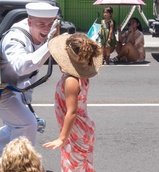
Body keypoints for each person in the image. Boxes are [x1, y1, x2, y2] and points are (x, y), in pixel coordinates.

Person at [0, 2, 59, 169]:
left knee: (21, 124)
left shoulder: (41, 33)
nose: (46, 29)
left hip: (13, 85)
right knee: (27, 123)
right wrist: (49, 44)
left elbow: (31, 72)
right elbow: (22, 66)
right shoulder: (15, 38)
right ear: (29, 21)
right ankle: (22, 167)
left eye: (50, 23)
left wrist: (26, 97)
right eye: (41, 24)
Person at [43, 33, 103, 171]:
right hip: (81, 130)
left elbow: (72, 112)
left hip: (76, 133)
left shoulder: (71, 81)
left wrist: (62, 138)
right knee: (83, 167)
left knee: (73, 168)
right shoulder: (79, 74)